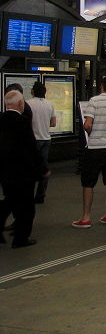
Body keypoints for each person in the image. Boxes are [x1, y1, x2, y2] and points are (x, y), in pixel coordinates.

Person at [72, 75, 106, 229]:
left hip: (94, 147)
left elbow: (87, 124)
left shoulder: (94, 101)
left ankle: (86, 217)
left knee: (88, 182)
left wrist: (92, 133)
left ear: (101, 86)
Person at [0, 90, 48, 248]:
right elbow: (31, 149)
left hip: (5, 172)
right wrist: (42, 169)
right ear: (21, 104)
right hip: (23, 172)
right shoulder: (22, 122)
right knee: (26, 207)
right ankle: (21, 238)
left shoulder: (1, 120)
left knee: (10, 200)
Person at [28, 81, 56, 204]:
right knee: (44, 167)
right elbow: (53, 123)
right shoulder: (49, 105)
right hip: (46, 139)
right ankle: (40, 195)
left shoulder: (28, 104)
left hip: (33, 140)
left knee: (29, 167)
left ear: (33, 91)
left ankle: (28, 193)